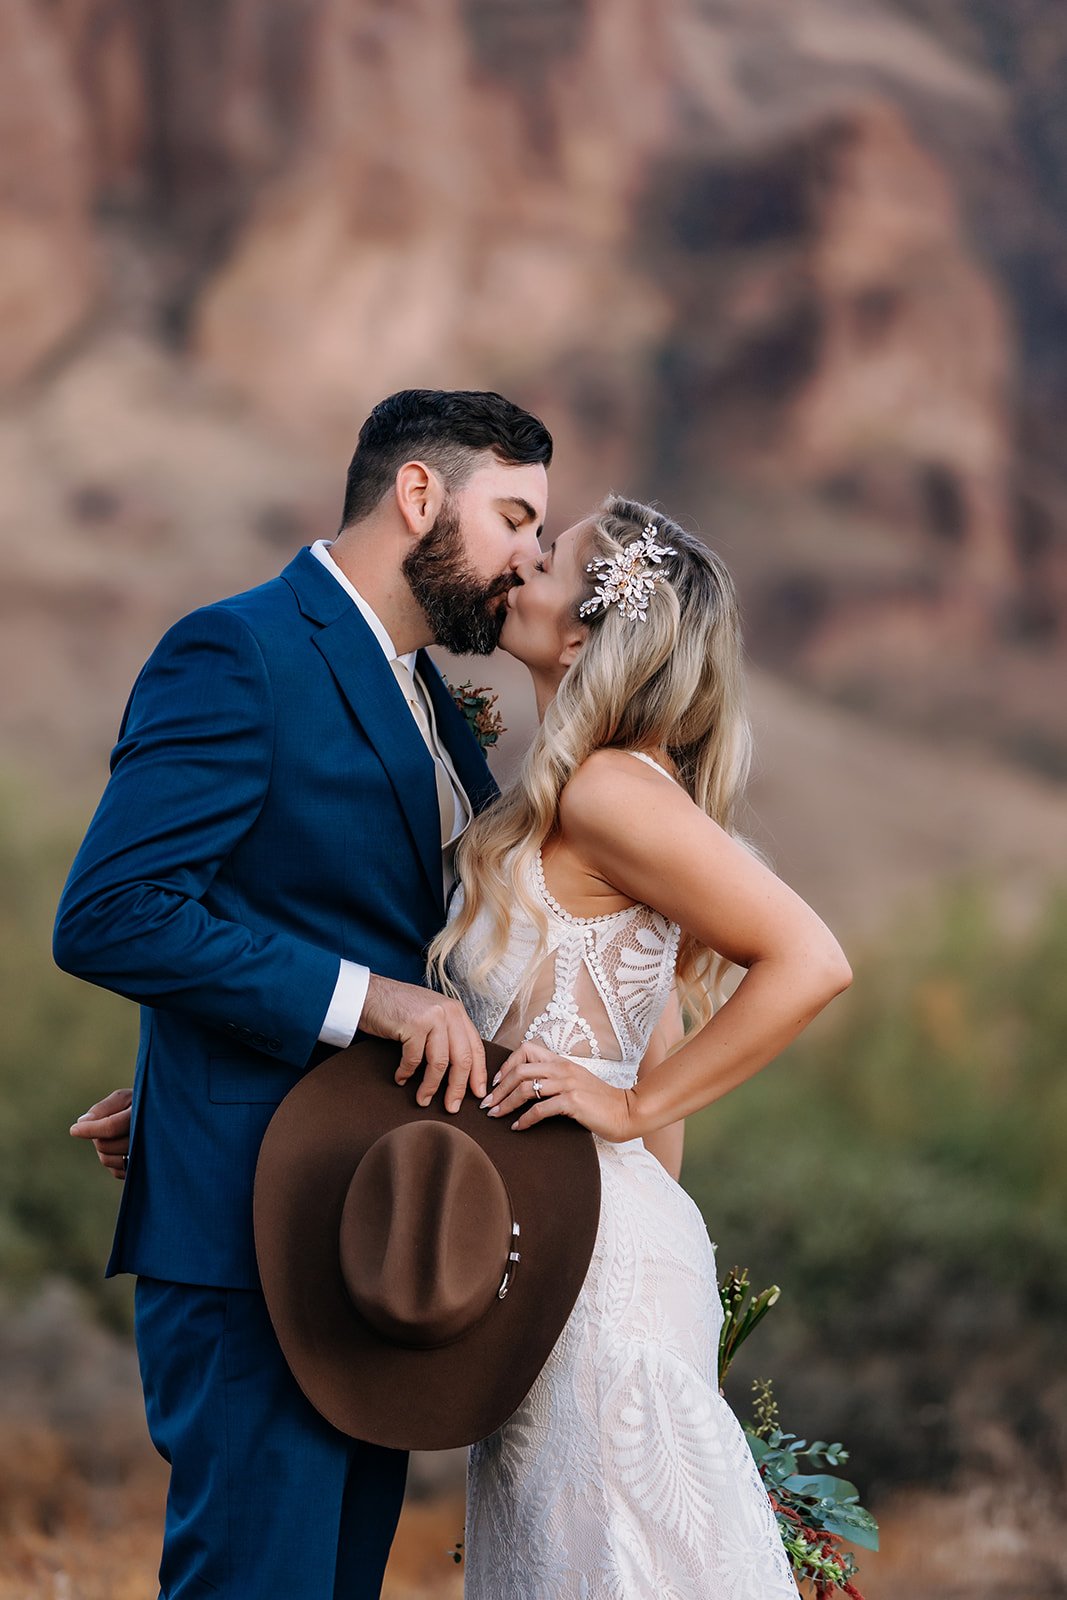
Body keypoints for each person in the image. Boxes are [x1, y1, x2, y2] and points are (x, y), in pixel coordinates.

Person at [74, 492, 852, 1595]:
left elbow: (809, 958)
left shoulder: (602, 790)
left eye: (547, 551)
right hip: (563, 1236)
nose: (522, 561)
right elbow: (620, 1031)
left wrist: (621, 1119)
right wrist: (190, 1095)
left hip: (586, 1245)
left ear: (580, 631)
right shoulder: (546, 789)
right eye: (523, 529)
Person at [55, 387, 552, 1600]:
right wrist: (369, 1004)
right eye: (516, 518)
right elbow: (113, 911)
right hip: (246, 1245)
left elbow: (275, 905)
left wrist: (194, 1058)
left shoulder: (430, 697)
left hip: (357, 1231)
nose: (532, 558)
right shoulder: (240, 651)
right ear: (418, 495)